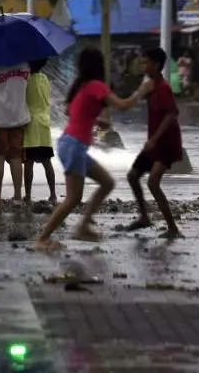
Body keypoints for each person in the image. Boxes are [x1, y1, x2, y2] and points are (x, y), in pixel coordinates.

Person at [34, 47, 146, 250]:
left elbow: (72, 111)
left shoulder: (81, 86)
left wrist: (95, 120)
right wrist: (142, 90)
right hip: (74, 146)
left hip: (69, 143)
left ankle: (83, 226)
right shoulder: (96, 85)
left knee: (107, 182)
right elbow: (123, 105)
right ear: (99, 65)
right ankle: (42, 239)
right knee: (73, 198)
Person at [124, 48, 183, 239]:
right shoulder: (150, 85)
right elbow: (131, 100)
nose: (143, 66)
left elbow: (172, 115)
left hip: (165, 143)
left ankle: (173, 228)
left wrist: (154, 139)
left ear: (156, 65)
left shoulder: (163, 87)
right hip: (153, 143)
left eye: (146, 63)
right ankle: (144, 217)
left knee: (153, 182)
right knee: (133, 176)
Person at [0, 61, 30, 208]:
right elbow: (23, 86)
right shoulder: (24, 65)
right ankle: (17, 197)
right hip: (18, 117)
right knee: (16, 156)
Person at [23, 58, 56, 205]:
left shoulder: (27, 80)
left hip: (31, 123)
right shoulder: (45, 79)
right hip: (44, 122)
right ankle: (53, 194)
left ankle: (28, 196)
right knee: (46, 161)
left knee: (28, 162)